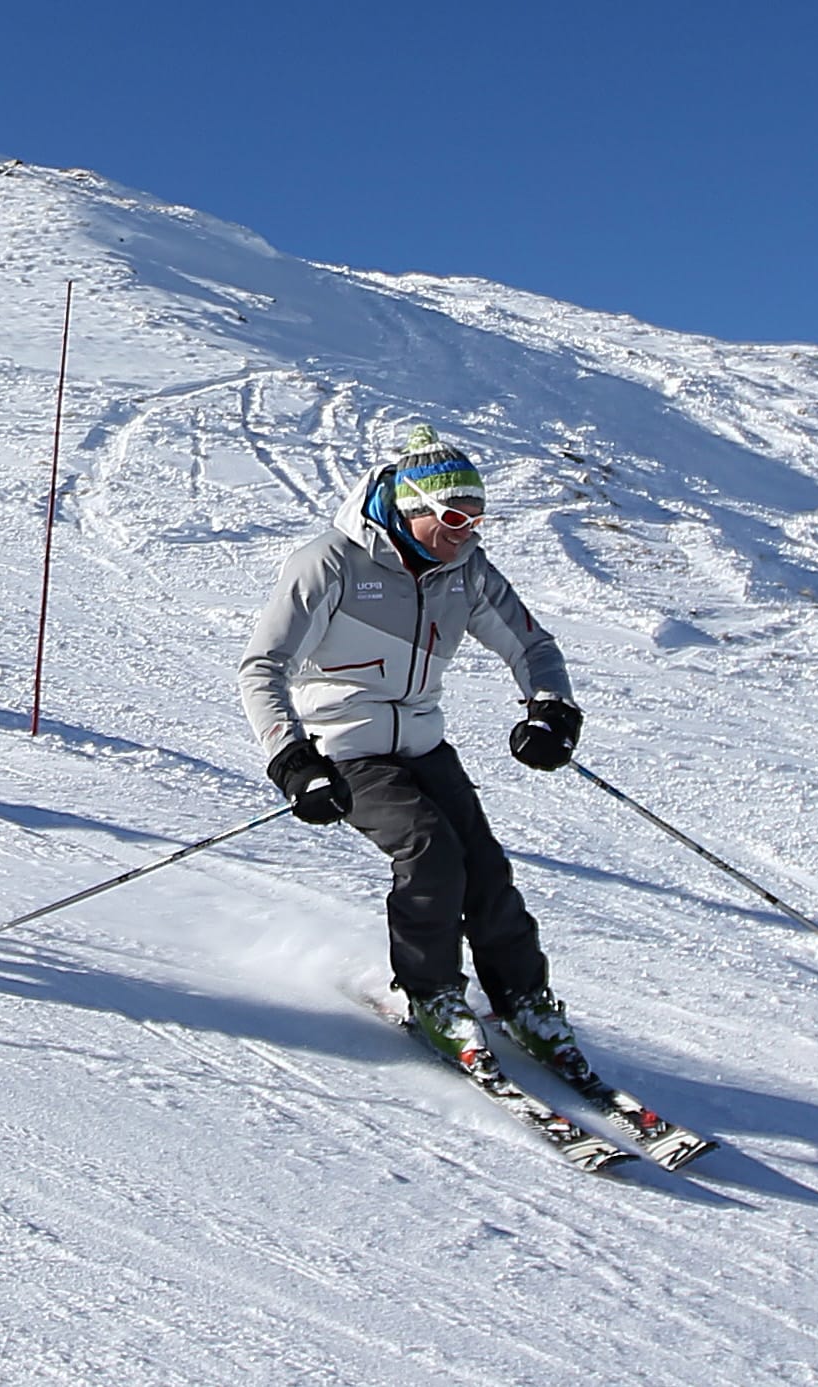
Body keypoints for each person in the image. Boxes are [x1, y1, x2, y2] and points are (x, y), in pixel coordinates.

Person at [238, 424, 590, 1066]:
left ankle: (524, 998)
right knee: (431, 852)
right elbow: (263, 667)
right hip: (346, 747)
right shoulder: (330, 562)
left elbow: (532, 645)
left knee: (485, 866)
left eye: (477, 519)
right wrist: (291, 760)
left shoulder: (465, 569)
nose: (466, 533)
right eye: (454, 518)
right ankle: (433, 995)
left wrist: (551, 708)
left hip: (423, 741)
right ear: (411, 509)